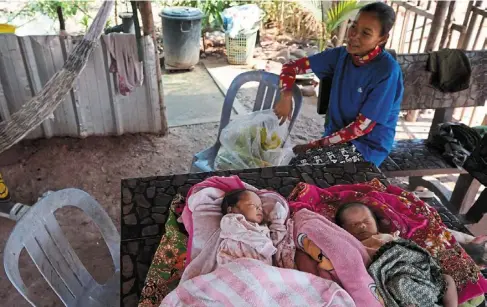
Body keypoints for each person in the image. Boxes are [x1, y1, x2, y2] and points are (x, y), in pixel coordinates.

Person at [274, 2, 403, 167]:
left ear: (382, 38)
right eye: (354, 26)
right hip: (335, 139)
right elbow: (290, 68)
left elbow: (361, 127)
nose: (354, 35)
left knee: (298, 165)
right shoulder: (341, 56)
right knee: (290, 162)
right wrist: (286, 95)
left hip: (366, 148)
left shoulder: (386, 71)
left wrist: (313, 145)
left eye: (366, 33)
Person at [335, 202, 458, 307]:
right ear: (343, 229)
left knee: (447, 279)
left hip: (421, 276)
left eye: (366, 221)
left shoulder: (391, 236)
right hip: (393, 278)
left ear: (376, 223)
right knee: (399, 283)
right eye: (354, 224)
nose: (362, 225)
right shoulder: (355, 245)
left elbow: (412, 250)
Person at [217, 189, 276, 265]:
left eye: (260, 206)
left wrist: (278, 222)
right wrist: (263, 244)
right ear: (232, 210)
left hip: (261, 268)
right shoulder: (231, 220)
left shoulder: (264, 227)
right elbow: (238, 232)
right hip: (236, 263)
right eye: (252, 205)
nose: (259, 209)